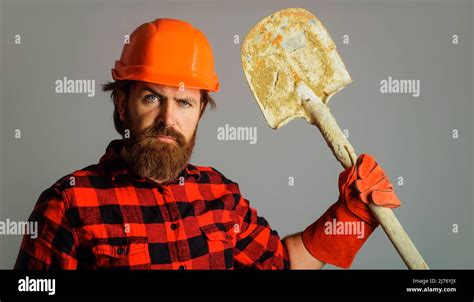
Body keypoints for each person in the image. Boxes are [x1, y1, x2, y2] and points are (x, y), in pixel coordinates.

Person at [14, 18, 400, 270]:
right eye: (151, 97)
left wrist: (348, 216)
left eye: (184, 102)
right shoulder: (68, 203)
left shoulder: (219, 194)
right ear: (122, 102)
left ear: (200, 109)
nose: (168, 118)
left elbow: (282, 263)